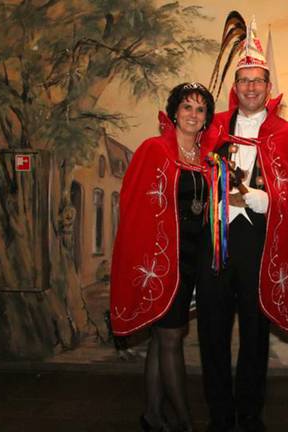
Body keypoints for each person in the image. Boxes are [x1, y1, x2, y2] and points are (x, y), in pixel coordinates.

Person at [197, 15, 288, 432]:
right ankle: (220, 416)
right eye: (245, 81)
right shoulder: (213, 129)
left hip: (260, 244)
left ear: (268, 86)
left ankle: (250, 414)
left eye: (259, 80)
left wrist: (268, 199)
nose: (252, 87)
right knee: (212, 332)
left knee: (255, 337)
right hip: (215, 240)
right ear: (235, 87)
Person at [110, 82, 220, 432]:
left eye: (200, 109)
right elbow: (134, 206)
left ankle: (153, 414)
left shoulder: (207, 157)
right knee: (172, 337)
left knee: (162, 337)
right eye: (186, 107)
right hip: (162, 262)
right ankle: (185, 421)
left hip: (193, 261)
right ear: (173, 113)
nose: (192, 114)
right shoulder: (153, 150)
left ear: (206, 119)